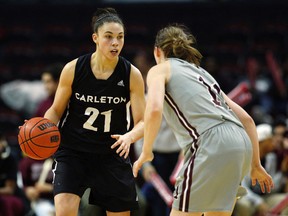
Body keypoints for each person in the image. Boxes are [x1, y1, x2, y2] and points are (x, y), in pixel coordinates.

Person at [132, 24, 274, 216]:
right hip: (240, 143)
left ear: (157, 51)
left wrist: (146, 152)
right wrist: (256, 165)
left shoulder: (159, 70)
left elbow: (155, 108)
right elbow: (247, 120)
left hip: (210, 143)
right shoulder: (203, 74)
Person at [43, 7, 146, 216]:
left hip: (111, 153)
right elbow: (55, 110)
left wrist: (129, 137)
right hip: (73, 151)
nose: (115, 43)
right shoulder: (74, 69)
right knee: (63, 211)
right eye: (108, 37)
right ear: (95, 38)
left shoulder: (131, 74)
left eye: (120, 37)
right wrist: (42, 128)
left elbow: (143, 122)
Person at [234, 123, 288, 216]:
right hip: (248, 197)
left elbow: (272, 186)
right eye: (270, 139)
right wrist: (258, 202)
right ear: (262, 141)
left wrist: (282, 172)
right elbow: (243, 188)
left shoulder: (271, 157)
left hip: (266, 197)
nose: (273, 142)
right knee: (244, 205)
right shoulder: (246, 156)